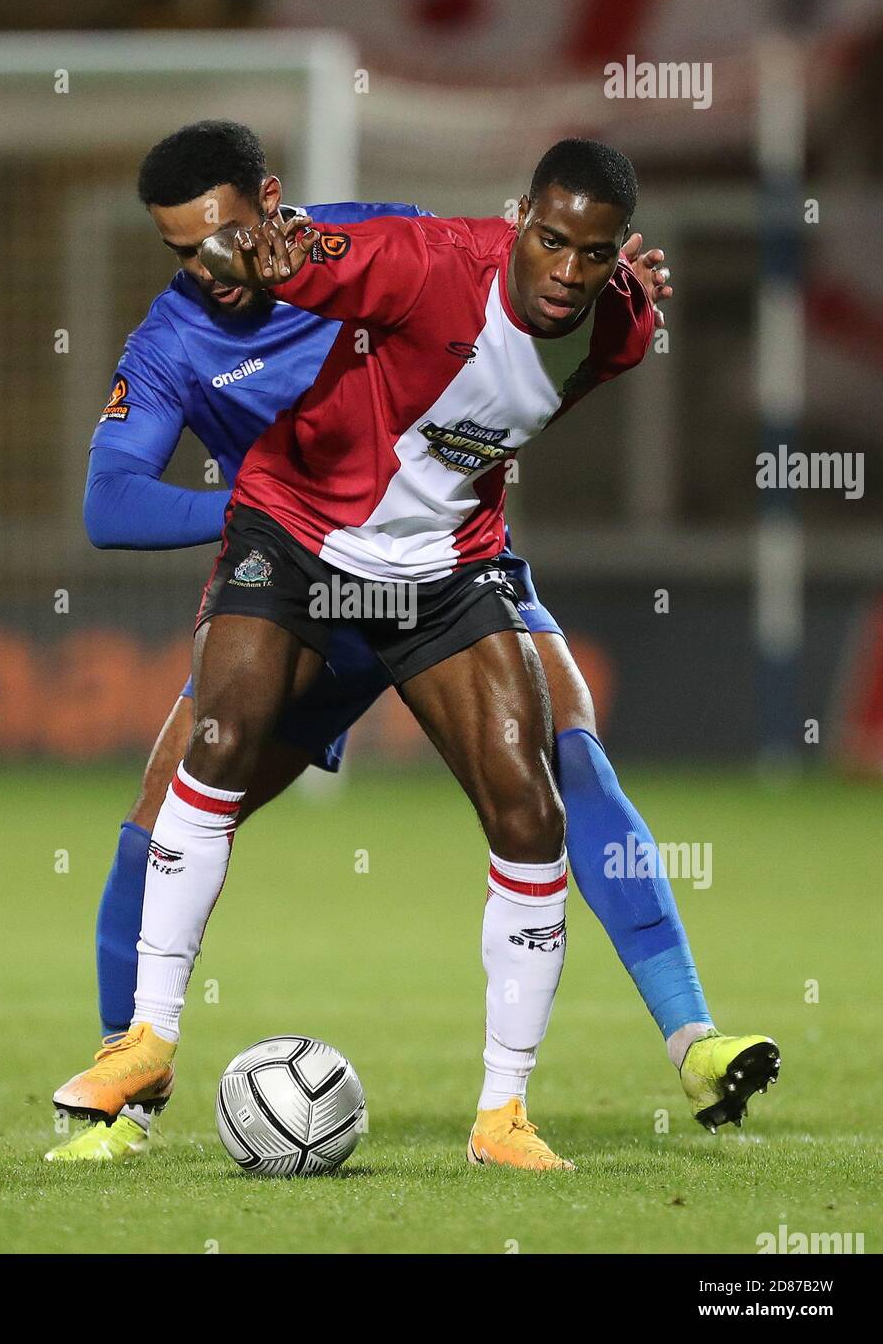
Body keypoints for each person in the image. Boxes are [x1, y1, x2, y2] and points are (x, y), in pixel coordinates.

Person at [50, 127, 779, 1168]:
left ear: (269, 202)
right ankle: (129, 1090)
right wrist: (256, 503)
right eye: (181, 252)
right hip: (295, 565)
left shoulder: (365, 244)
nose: (210, 269)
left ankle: (692, 1038)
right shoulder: (168, 344)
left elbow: (479, 269)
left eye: (224, 238)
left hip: (442, 561)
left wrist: (604, 274)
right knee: (172, 789)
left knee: (556, 757)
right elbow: (109, 503)